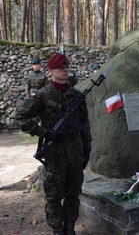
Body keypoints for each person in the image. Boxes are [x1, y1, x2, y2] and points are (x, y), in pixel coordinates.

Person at [16, 53, 92, 235]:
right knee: (53, 196)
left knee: (73, 195)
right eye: (60, 67)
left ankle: (69, 228)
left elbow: (85, 125)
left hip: (75, 153)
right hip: (54, 155)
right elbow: (22, 117)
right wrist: (45, 132)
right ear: (50, 71)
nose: (65, 70)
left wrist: (87, 150)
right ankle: (58, 230)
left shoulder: (77, 95)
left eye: (66, 66)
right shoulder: (42, 95)